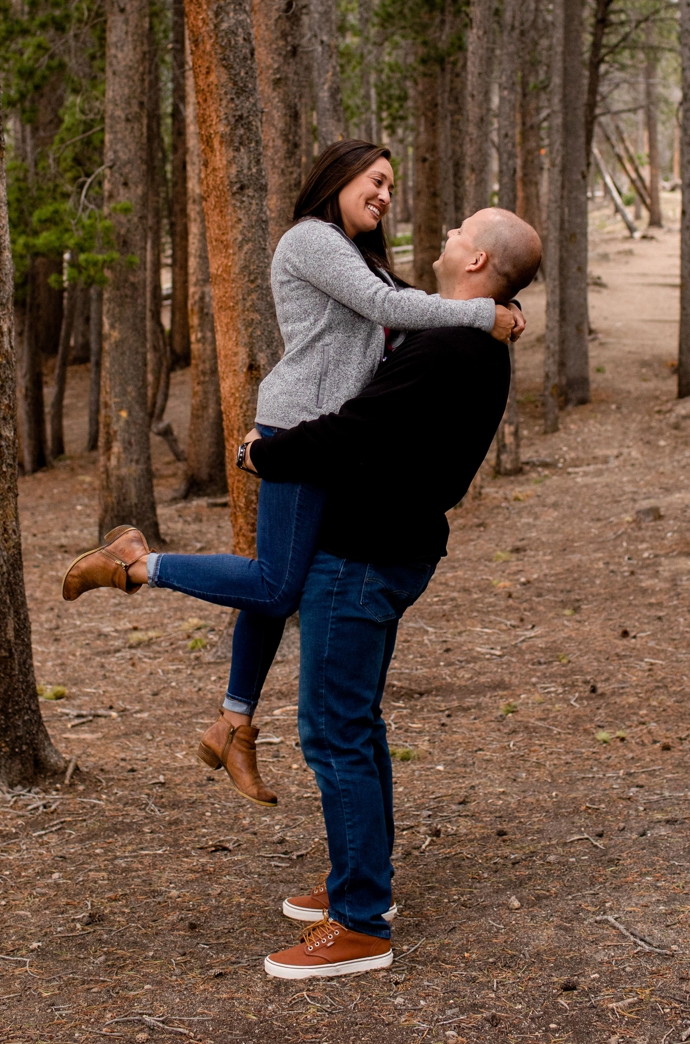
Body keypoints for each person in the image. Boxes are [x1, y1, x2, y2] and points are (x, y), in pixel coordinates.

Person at [59, 141, 523, 804]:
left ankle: (234, 721)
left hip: (328, 438)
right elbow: (393, 311)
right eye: (377, 181)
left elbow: (405, 311)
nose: (386, 196)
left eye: (392, 187)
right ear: (338, 178)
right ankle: (136, 564)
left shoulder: (360, 258)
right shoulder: (311, 240)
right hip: (299, 430)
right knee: (276, 586)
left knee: (280, 580)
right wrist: (485, 312)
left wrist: (491, 309)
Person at [241, 206, 540, 979]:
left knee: (332, 731)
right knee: (356, 724)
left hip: (363, 555)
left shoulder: (448, 347)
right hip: (387, 546)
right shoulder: (464, 336)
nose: (441, 236)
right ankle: (358, 882)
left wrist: (264, 456)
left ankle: (362, 922)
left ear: (476, 261)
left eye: (455, 231)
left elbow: (357, 429)